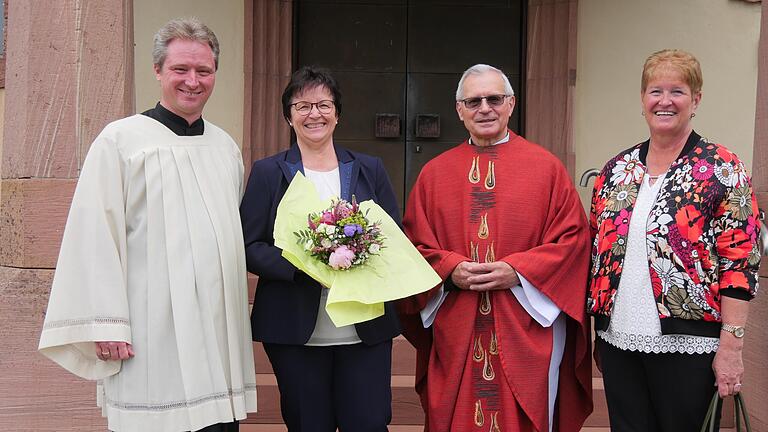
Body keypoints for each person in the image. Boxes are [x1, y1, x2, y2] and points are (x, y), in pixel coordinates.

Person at [38, 18, 257, 432]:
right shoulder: (120, 141)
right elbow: (93, 237)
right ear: (158, 71)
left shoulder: (225, 147)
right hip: (149, 327)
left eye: (203, 71)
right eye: (180, 69)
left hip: (215, 329)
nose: (193, 81)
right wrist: (105, 321)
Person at [400, 64, 593, 432]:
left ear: (511, 104)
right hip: (457, 325)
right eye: (473, 101)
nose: (484, 108)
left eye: (494, 99)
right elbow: (414, 248)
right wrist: (450, 269)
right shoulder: (434, 174)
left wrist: (518, 272)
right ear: (459, 110)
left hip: (525, 325)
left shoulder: (547, 169)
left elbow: (572, 242)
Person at [588, 49, 761, 431]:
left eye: (677, 91)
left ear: (695, 100)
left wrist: (731, 347)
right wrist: (596, 329)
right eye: (655, 91)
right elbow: (596, 253)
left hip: (691, 342)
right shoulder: (616, 170)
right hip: (618, 339)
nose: (664, 101)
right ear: (642, 99)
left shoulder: (721, 167)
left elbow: (741, 262)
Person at [240, 66, 401, 431]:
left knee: (369, 423)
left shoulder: (368, 169)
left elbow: (393, 235)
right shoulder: (268, 172)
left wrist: (359, 250)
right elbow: (249, 244)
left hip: (365, 329)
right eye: (303, 106)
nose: (315, 114)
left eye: (324, 105)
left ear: (337, 113)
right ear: (289, 116)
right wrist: (300, 264)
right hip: (295, 328)